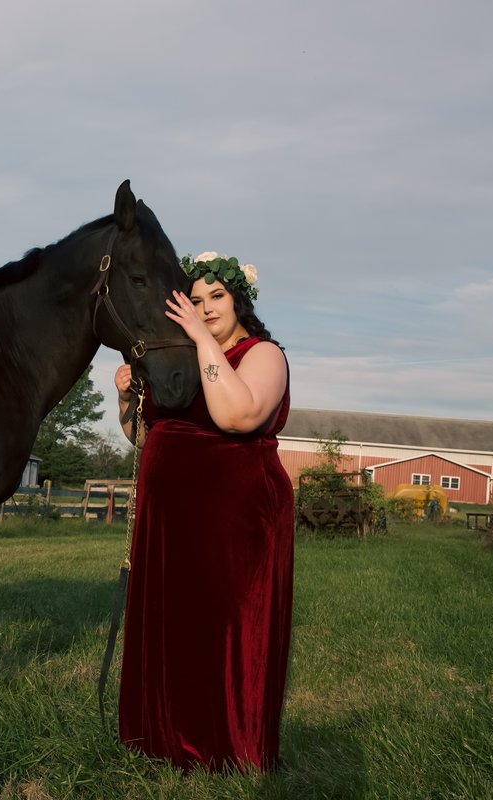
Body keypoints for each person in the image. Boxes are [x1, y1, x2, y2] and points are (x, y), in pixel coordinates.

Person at [114, 252, 293, 772]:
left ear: (240, 299)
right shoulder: (184, 356)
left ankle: (227, 747)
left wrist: (202, 339)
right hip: (169, 519)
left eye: (217, 296)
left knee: (228, 627)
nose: (206, 307)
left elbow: (236, 415)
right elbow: (142, 435)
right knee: (174, 622)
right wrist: (126, 398)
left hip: (237, 519)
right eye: (195, 300)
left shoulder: (263, 355)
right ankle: (162, 737)